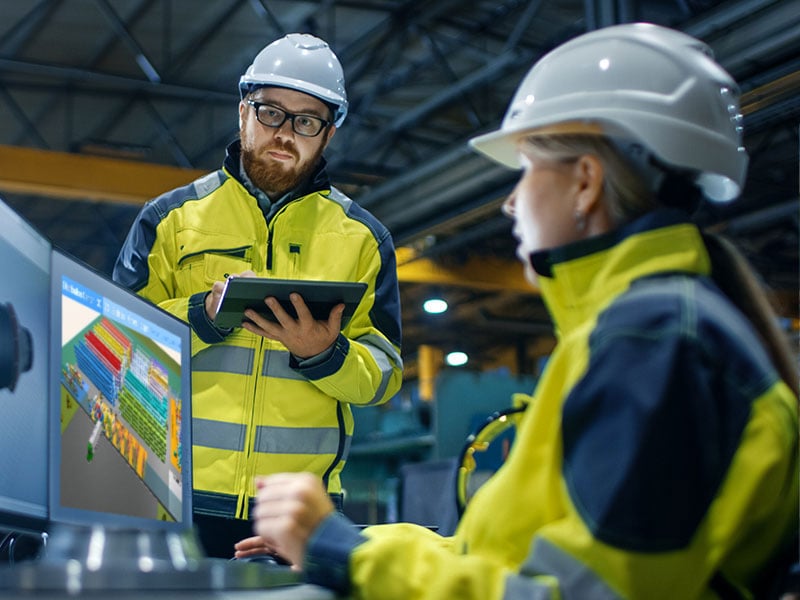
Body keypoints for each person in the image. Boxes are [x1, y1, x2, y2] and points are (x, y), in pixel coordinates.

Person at [238, 22, 799, 599]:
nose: (510, 202)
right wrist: (347, 544)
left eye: (527, 167)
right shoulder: (639, 334)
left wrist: (346, 556)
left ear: (585, 183)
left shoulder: (656, 346)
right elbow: (499, 555)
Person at [112, 33, 403, 558]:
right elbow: (114, 347)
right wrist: (202, 315)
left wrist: (325, 354)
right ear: (242, 110)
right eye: (271, 112)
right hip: (170, 499)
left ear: (328, 133)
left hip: (295, 512)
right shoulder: (170, 220)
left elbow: (385, 374)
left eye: (306, 121)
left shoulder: (364, 239)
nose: (285, 133)